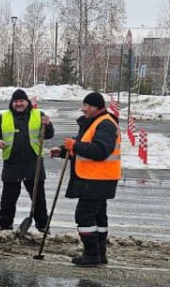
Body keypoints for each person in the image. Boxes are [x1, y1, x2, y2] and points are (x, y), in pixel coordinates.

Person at [50, 92, 121, 267]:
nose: (83, 109)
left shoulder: (105, 124)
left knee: (84, 216)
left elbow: (100, 150)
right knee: (98, 217)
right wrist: (64, 150)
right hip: (98, 178)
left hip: (95, 179)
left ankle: (91, 254)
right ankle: (99, 253)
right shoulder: (95, 122)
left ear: (95, 107)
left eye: (85, 106)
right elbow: (84, 145)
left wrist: (75, 145)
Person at [0, 88, 54, 232]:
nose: (18, 104)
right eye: (16, 101)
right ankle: (5, 227)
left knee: (38, 199)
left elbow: (48, 135)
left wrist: (48, 125)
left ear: (27, 102)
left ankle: (43, 226)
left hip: (33, 163)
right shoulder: (4, 117)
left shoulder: (38, 114)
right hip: (12, 164)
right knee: (8, 200)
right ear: (12, 103)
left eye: (21, 101)